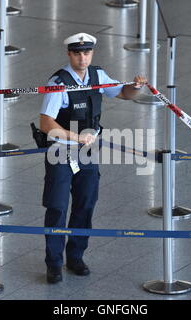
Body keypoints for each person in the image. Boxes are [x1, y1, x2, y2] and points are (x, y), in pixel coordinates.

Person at [39, 32, 147, 284]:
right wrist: (74, 137)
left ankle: (75, 257)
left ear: (92, 53)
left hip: (88, 150)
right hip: (61, 151)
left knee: (85, 204)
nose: (82, 57)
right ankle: (53, 264)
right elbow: (46, 123)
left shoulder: (98, 76)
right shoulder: (58, 82)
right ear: (69, 54)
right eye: (77, 53)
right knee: (57, 207)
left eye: (86, 53)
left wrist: (135, 86)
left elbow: (123, 94)